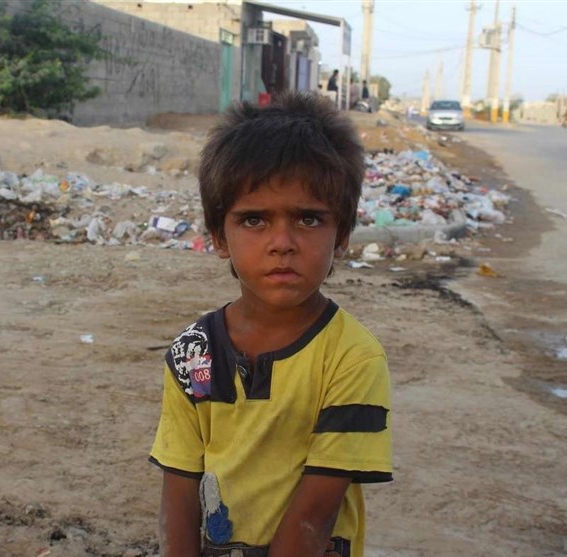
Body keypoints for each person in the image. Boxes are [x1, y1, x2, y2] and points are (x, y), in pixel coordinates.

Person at [150, 91, 393, 557]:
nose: (282, 242)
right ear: (219, 236)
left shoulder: (352, 359)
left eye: (308, 219)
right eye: (254, 220)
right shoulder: (193, 354)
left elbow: (314, 517)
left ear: (341, 235)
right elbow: (178, 493)